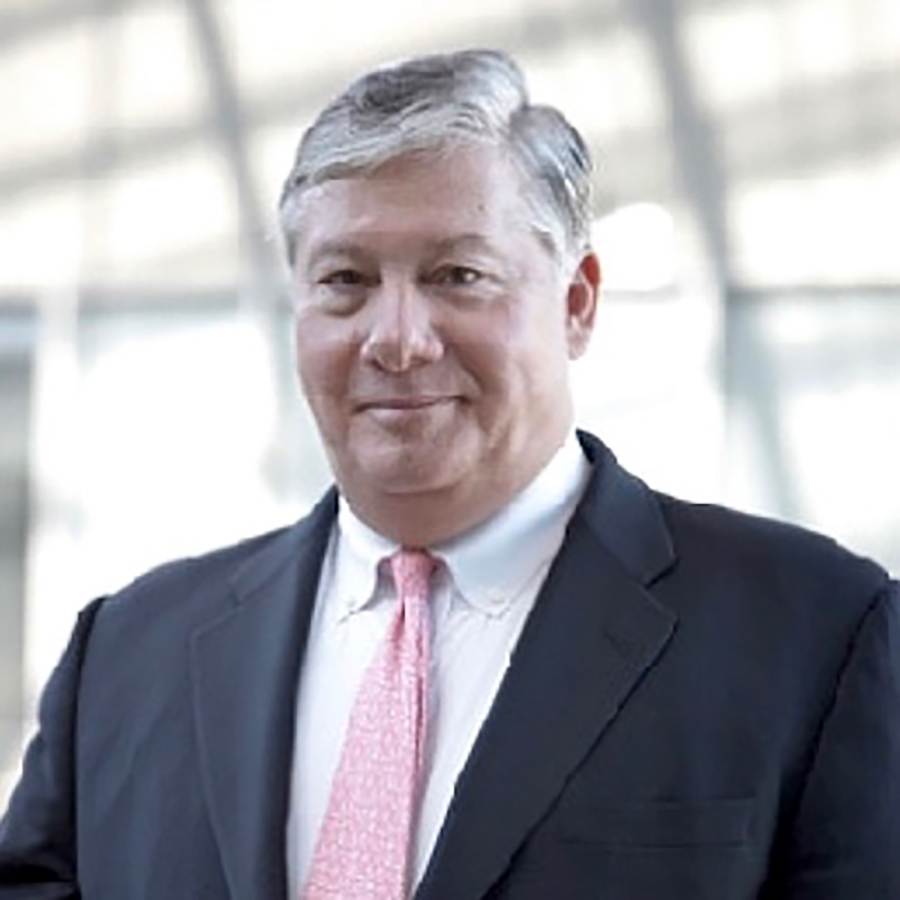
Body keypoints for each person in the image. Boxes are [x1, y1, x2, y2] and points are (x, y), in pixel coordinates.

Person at [1, 48, 897, 900]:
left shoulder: (814, 636)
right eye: (345, 280)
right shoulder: (126, 656)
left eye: (458, 275)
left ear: (577, 300)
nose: (396, 338)